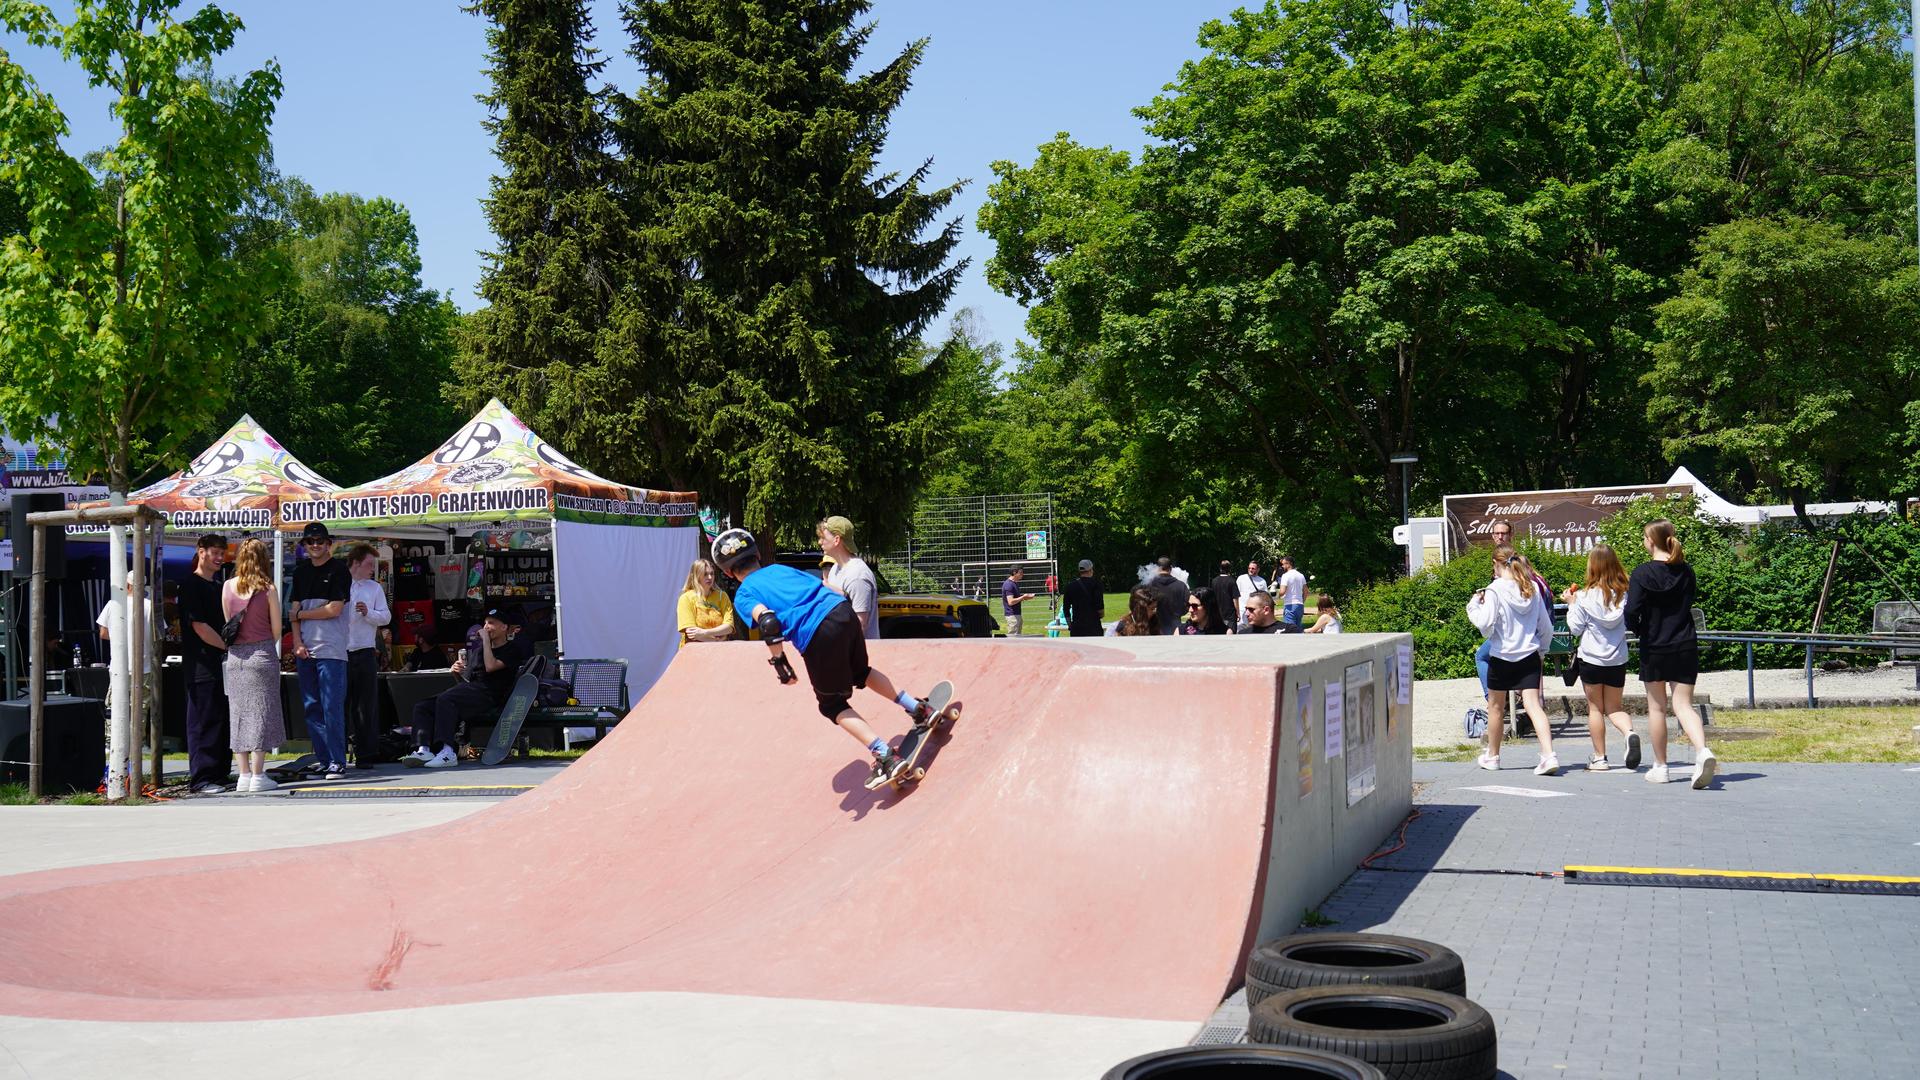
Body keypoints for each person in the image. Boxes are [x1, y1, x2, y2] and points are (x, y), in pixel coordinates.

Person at [712, 527, 944, 788]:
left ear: (727, 572)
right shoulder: (781, 569)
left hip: (817, 633)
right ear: (757, 554)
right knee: (861, 672)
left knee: (832, 706)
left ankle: (886, 756)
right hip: (842, 612)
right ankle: (918, 708)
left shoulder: (744, 594)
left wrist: (780, 664)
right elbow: (829, 588)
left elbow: (768, 622)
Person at [1626, 519, 1717, 788]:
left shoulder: (1642, 573)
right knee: (1683, 705)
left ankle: (1661, 766)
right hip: (1685, 642)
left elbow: (1631, 610)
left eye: (1644, 537)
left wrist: (1639, 629)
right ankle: (1702, 751)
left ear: (1651, 540)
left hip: (1654, 645)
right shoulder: (1686, 571)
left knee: (1656, 707)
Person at [1467, 545, 1559, 775]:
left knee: (1496, 708)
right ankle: (1549, 755)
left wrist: (1473, 605)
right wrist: (1542, 651)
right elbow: (1545, 626)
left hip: (1502, 656)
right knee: (1533, 706)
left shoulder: (1494, 590)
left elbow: (1485, 627)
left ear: (1497, 564)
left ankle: (1493, 755)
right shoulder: (1532, 588)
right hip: (1529, 654)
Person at [401, 607, 532, 769]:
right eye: (485, 623)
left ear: (504, 627)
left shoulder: (511, 649)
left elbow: (491, 666)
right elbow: (465, 683)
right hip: (472, 692)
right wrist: (456, 672)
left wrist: (485, 641)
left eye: (491, 623)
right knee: (424, 706)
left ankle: (448, 751)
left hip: (490, 695)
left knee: (446, 699)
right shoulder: (478, 652)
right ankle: (423, 749)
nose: (486, 627)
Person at [1563, 545, 1637, 773]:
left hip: (1591, 659)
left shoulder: (1584, 597)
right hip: (1617, 658)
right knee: (1615, 707)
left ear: (1591, 566)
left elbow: (1575, 629)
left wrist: (1571, 603)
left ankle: (1600, 758)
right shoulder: (1625, 595)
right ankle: (1629, 733)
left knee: (1595, 709)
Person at [289, 522, 352, 780]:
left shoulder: (339, 570)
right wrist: (296, 642)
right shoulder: (300, 572)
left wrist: (302, 614)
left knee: (331, 706)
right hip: (306, 649)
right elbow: (292, 612)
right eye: (310, 541)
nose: (315, 545)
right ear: (304, 546)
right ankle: (325, 759)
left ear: (329, 544)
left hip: (331, 650)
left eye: (319, 541)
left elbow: (334, 609)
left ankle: (338, 761)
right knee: (311, 707)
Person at [221, 539, 285, 794]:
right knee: (261, 713)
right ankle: (259, 775)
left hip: (236, 658)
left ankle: (243, 775)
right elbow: (277, 628)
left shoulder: (227, 586)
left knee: (238, 714)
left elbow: (229, 624)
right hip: (262, 653)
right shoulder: (268, 589)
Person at [178, 534, 233, 794]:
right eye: (215, 552)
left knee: (221, 720)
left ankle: (220, 773)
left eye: (223, 553)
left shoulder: (218, 585)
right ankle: (201, 778)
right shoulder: (190, 584)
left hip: (221, 664)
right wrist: (227, 646)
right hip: (201, 665)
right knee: (203, 721)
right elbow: (199, 626)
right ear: (201, 552)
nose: (220, 557)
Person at [344, 543, 392, 768]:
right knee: (340, 704)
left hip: (364, 650)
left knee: (366, 705)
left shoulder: (374, 588)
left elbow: (386, 617)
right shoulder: (341, 584)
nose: (372, 569)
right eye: (369, 565)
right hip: (340, 651)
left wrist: (368, 613)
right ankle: (338, 752)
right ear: (355, 564)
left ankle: (366, 754)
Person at [817, 515, 880, 640]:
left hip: (857, 656)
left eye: (823, 537)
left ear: (836, 540)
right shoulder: (836, 568)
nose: (820, 542)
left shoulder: (857, 576)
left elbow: (859, 626)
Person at [677, 557, 737, 648]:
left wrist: (705, 633)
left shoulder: (722, 596)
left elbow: (729, 627)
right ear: (696, 576)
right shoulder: (686, 598)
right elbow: (692, 633)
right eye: (705, 574)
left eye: (712, 574)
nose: (710, 577)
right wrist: (717, 640)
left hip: (719, 650)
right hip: (693, 652)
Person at [1060, 559, 1104, 637]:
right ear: (1090, 570)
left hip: (1077, 628)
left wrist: (1070, 625)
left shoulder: (1070, 586)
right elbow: (1100, 610)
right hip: (1094, 627)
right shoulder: (1096, 585)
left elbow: (1066, 609)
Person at [1147, 557, 1189, 635]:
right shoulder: (1181, 585)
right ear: (1171, 569)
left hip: (1153, 628)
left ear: (1158, 569)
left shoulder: (1149, 585)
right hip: (1175, 628)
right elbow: (1187, 605)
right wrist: (1178, 613)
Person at [1000, 566, 1036, 636]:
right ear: (1014, 573)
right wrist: (1023, 597)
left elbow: (1015, 599)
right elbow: (1010, 602)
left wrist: (1025, 598)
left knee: (1018, 638)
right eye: (1020, 573)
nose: (1022, 574)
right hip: (1012, 616)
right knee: (1013, 639)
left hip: (1016, 615)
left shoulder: (1014, 583)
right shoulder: (1009, 584)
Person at [1235, 559, 1269, 630]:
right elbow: (1236, 594)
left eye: (1253, 568)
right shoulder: (1241, 578)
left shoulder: (1262, 581)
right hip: (1242, 609)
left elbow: (1265, 596)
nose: (1250, 570)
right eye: (1249, 568)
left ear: (1258, 569)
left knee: (1254, 628)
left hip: (1255, 610)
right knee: (1240, 629)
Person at [1208, 560, 1238, 634]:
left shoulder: (1214, 581)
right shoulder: (1232, 581)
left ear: (1220, 568)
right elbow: (1235, 599)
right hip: (1230, 612)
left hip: (1217, 611)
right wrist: (1238, 612)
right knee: (1230, 630)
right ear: (1229, 569)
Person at [1276, 556, 1307, 629]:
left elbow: (1282, 591)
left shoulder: (1285, 576)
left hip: (1290, 605)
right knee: (1298, 629)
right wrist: (1302, 601)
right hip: (1300, 605)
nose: (1282, 566)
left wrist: (1276, 595)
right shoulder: (1301, 575)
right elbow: (1306, 591)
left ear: (1288, 564)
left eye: (1283, 564)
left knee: (1290, 631)